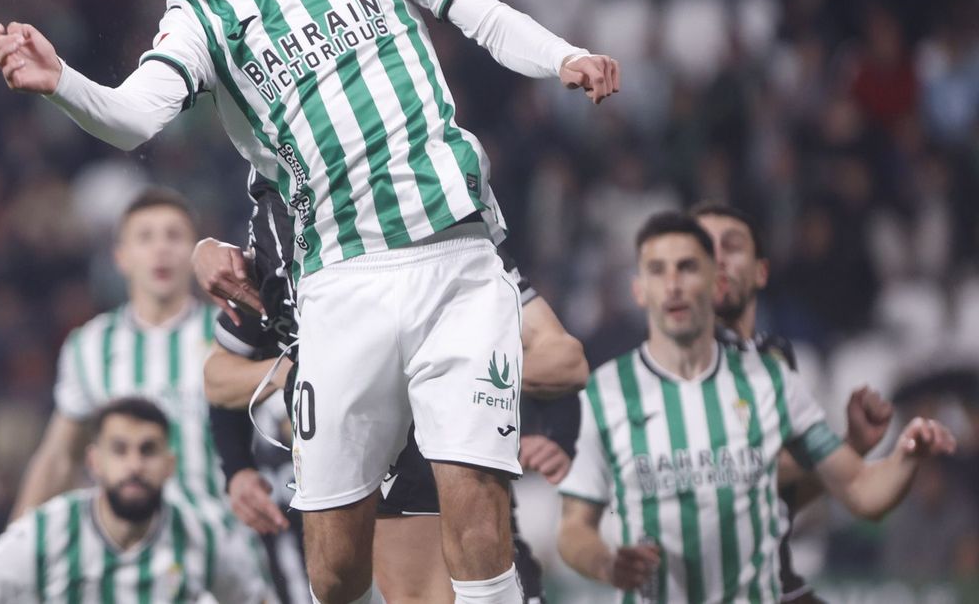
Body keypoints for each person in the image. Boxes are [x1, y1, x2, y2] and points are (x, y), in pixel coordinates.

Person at [0, 0, 619, 604]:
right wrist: (63, 84)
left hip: (458, 261)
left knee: (477, 505)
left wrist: (564, 57)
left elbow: (477, 11)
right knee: (336, 567)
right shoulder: (199, 19)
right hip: (340, 285)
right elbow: (132, 117)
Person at [196, 169, 587, 603]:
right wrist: (311, 373)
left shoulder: (438, 235)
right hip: (355, 481)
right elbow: (217, 377)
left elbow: (565, 359)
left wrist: (446, 374)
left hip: (442, 483)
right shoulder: (281, 253)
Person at [557, 212, 957, 602]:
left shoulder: (770, 380)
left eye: (688, 268)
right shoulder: (607, 393)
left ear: (714, 281)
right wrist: (608, 565)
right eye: (658, 270)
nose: (674, 285)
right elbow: (574, 529)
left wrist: (907, 454)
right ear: (639, 289)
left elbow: (859, 489)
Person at [10, 188, 272, 588]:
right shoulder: (90, 345)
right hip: (125, 570)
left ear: (194, 254)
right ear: (121, 257)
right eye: (145, 237)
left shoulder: (234, 336)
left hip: (227, 560)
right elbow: (59, 457)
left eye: (174, 236)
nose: (161, 249)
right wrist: (16, 551)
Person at [691, 201, 894, 603]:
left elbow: (776, 502)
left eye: (731, 247)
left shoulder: (774, 358)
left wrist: (850, 446)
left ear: (761, 270)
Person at [0, 397, 269, 603]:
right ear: (94, 462)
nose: (134, 465)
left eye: (148, 450)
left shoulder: (201, 535)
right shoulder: (47, 531)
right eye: (119, 449)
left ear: (169, 465)